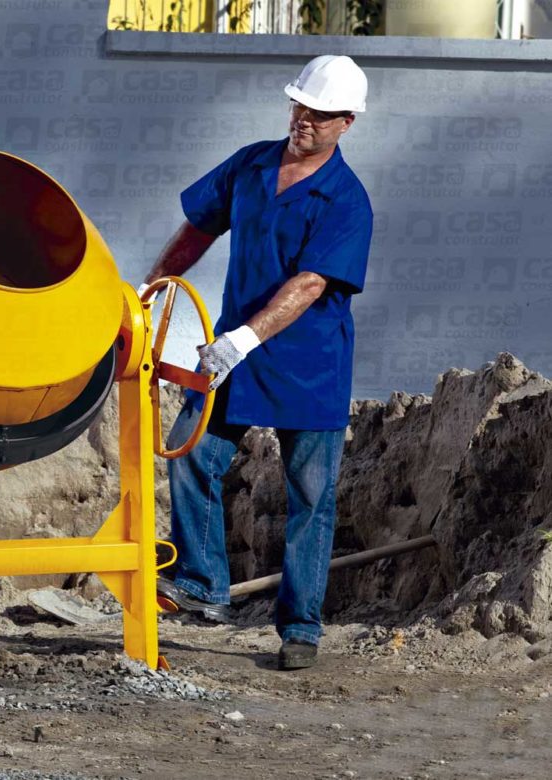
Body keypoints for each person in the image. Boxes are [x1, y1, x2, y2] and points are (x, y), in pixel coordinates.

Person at [140, 55, 373, 671]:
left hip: (308, 364)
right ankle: (201, 581)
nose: (305, 120)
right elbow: (198, 227)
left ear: (346, 123)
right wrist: (151, 288)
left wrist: (240, 341)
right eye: (300, 106)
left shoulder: (346, 200)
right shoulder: (250, 164)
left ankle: (300, 629)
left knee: (309, 497)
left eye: (320, 115)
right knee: (190, 451)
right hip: (238, 353)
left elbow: (311, 285)